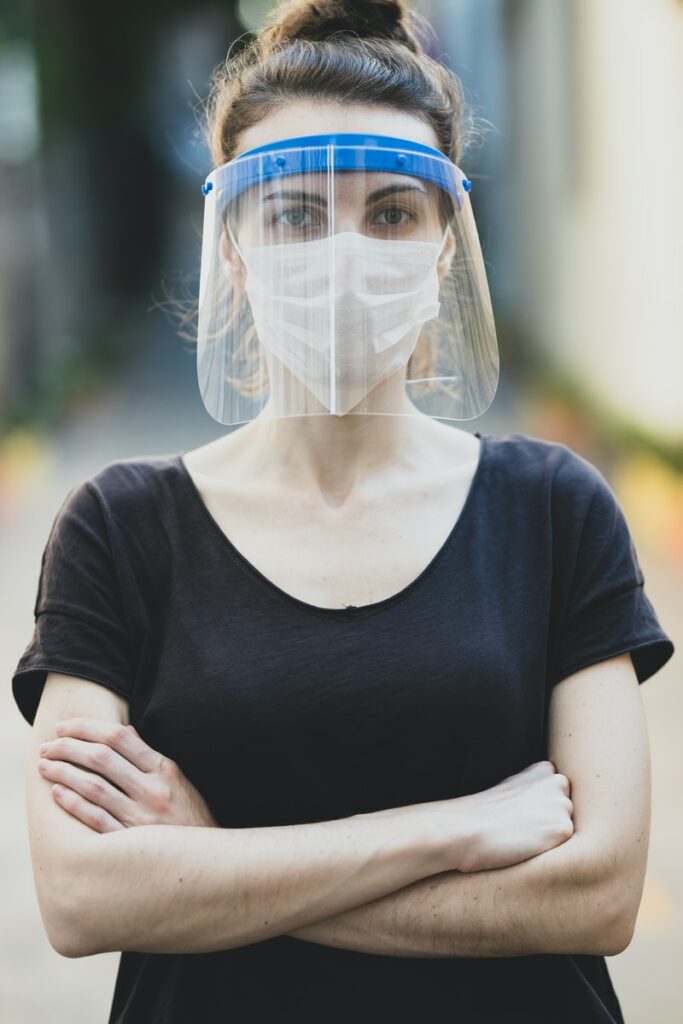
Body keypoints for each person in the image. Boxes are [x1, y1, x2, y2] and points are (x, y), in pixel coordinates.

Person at [12, 2, 674, 1022]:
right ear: (230, 245)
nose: (345, 253)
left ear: (445, 247)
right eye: (294, 214)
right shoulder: (120, 529)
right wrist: (451, 830)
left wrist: (209, 867)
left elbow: (596, 894)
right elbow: (79, 894)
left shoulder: (554, 509)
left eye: (392, 214)